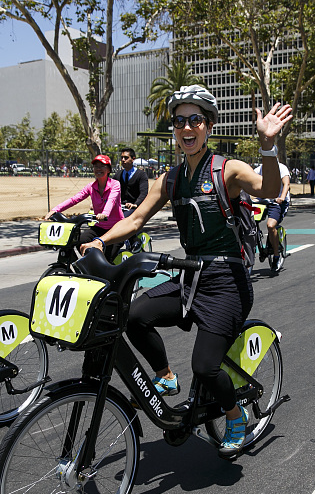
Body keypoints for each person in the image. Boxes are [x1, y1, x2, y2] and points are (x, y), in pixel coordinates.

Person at [79, 85, 292, 458]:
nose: (187, 128)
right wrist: (99, 241)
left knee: (206, 367)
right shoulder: (171, 178)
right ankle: (165, 376)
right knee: (133, 317)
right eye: (179, 122)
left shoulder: (227, 169)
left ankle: (235, 415)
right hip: (189, 276)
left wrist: (268, 146)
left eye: (195, 120)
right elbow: (136, 220)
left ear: (208, 125)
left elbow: (269, 188)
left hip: (227, 283)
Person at [45, 154, 125, 261]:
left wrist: (104, 214)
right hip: (99, 227)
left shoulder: (115, 184)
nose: (98, 169)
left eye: (102, 166)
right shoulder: (91, 187)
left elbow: (111, 200)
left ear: (109, 170)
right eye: (96, 166)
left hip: (116, 229)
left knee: (106, 258)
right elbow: (75, 199)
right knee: (80, 241)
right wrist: (55, 210)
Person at [253, 158, 292, 271]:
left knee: (271, 226)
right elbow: (248, 182)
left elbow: (286, 184)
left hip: (277, 202)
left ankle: (276, 255)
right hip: (262, 200)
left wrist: (282, 197)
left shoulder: (282, 168)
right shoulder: (258, 169)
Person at [118, 148, 149, 214]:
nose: (123, 160)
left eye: (126, 158)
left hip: (135, 209)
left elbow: (143, 193)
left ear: (133, 159)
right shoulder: (118, 175)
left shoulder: (141, 175)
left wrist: (135, 204)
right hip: (120, 207)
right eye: (122, 157)